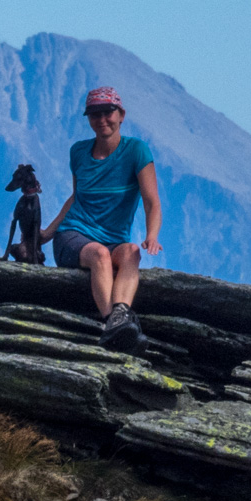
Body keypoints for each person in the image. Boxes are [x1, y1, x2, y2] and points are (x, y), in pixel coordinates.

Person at [38, 86, 162, 351]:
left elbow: (151, 201)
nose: (102, 119)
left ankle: (120, 316)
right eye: (94, 114)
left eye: (108, 112)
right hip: (73, 235)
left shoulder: (136, 151)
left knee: (130, 252)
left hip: (114, 239)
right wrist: (48, 232)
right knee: (100, 256)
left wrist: (151, 235)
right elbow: (75, 198)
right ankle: (114, 325)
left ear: (121, 114)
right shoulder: (79, 152)